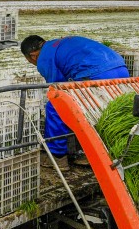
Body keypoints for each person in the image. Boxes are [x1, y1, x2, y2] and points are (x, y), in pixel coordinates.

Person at [20, 35, 130, 166]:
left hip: (96, 74)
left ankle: (57, 157)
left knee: (55, 107)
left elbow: (57, 86)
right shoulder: (58, 44)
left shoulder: (44, 56)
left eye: (31, 62)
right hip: (120, 68)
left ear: (33, 56)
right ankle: (95, 153)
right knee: (100, 110)